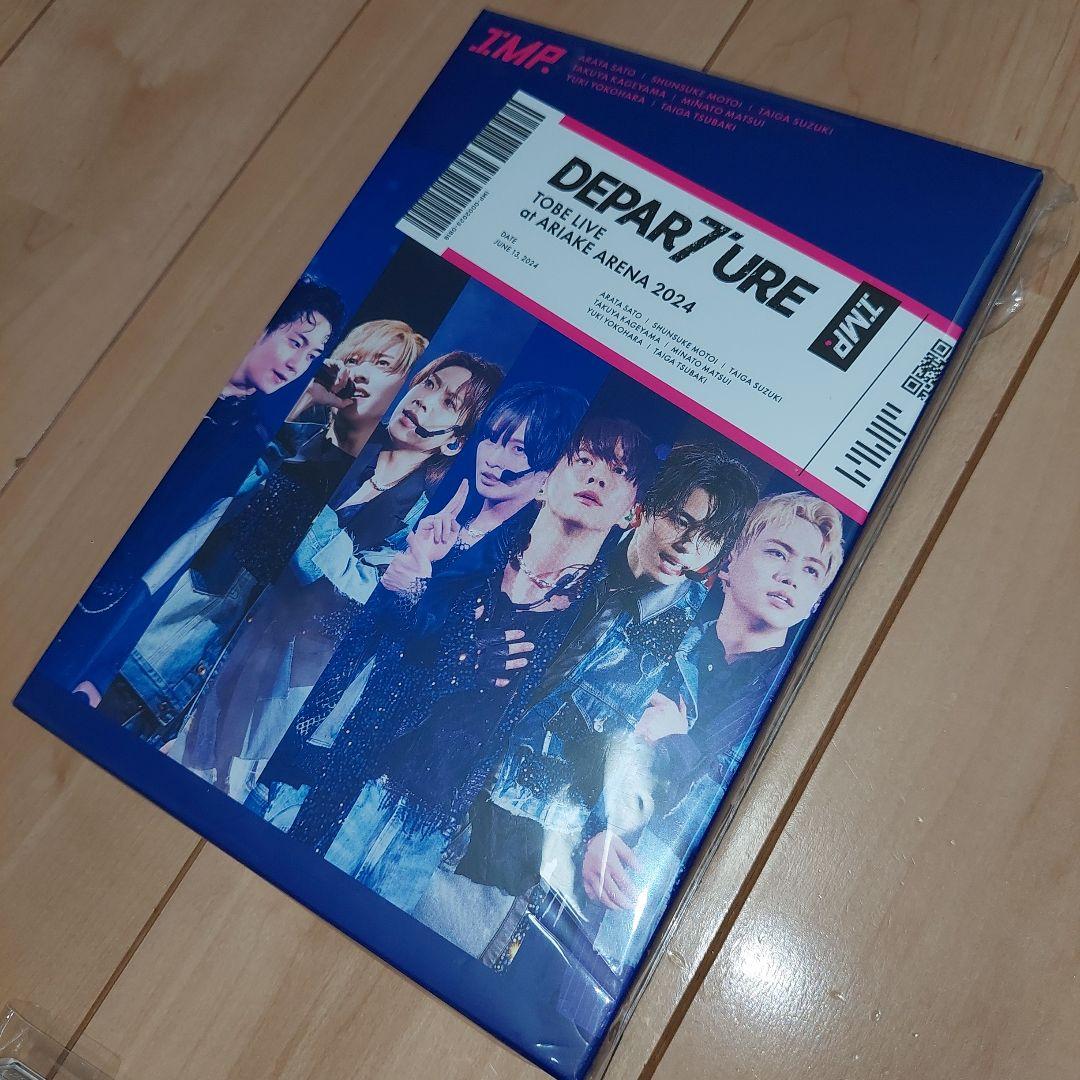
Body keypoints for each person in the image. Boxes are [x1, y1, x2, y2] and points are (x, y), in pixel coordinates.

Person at [279, 416, 653, 915]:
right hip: (357, 775)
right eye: (583, 460)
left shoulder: (603, 624)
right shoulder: (465, 553)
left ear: (632, 511)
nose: (597, 477)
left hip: (439, 832)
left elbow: (586, 739)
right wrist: (427, 603)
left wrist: (596, 826)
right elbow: (374, 649)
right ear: (544, 482)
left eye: (618, 471)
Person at [412, 442, 759, 956]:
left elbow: (654, 768)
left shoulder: (685, 646)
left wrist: (604, 826)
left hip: (509, 839)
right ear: (644, 507)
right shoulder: (570, 543)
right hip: (432, 774)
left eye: (709, 537)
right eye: (680, 520)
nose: (689, 545)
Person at [555, 491, 846, 1037]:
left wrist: (677, 741)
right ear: (730, 559)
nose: (791, 577)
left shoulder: (795, 705)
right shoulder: (661, 637)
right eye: (778, 553)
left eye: (812, 570)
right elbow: (574, 734)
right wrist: (597, 828)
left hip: (664, 948)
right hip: (562, 885)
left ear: (815, 600)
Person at [247, 380, 591, 824]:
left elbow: (452, 657)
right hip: (307, 687)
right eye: (493, 438)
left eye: (519, 450)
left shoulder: (519, 561)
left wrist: (414, 585)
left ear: (549, 471)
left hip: (378, 746)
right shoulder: (441, 511)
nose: (493, 458)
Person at [161, 353, 503, 797]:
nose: (424, 399)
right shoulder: (334, 436)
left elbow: (336, 584)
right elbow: (235, 486)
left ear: (455, 443)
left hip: (254, 697)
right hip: (183, 634)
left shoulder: (420, 524)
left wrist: (311, 496)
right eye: (429, 383)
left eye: (448, 402)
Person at [63, 276, 345, 700]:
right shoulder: (169, 378)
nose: (296, 364)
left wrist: (100, 669)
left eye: (312, 356)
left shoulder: (245, 438)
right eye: (295, 341)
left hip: (99, 604)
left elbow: (175, 558)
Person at [286, 319, 427, 455]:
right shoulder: (293, 446)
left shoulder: (386, 467)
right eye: (352, 361)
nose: (359, 373)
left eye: (383, 363)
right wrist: (305, 398)